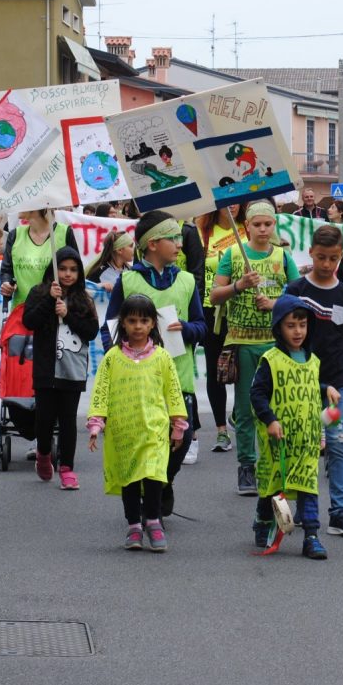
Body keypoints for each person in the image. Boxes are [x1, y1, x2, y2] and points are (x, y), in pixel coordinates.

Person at [103, 211, 206, 516]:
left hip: (178, 375)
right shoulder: (129, 279)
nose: (179, 244)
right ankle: (142, 504)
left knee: (182, 438)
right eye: (173, 238)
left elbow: (201, 325)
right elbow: (109, 325)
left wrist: (186, 329)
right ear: (152, 244)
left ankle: (165, 480)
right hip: (137, 380)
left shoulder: (186, 281)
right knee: (143, 440)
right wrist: (114, 357)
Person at [210, 202, 300, 496]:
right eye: (257, 224)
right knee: (246, 408)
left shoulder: (283, 257)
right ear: (246, 226)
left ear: (275, 225)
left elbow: (300, 296)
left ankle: (274, 463)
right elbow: (214, 296)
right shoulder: (232, 254)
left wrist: (275, 304)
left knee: (276, 408)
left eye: (268, 224)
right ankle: (246, 465)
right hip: (243, 342)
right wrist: (239, 285)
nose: (263, 229)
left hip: (276, 345)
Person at [87, 294, 187, 552]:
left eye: (144, 321)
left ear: (153, 324)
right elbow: (101, 390)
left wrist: (178, 425)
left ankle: (153, 521)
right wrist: (96, 424)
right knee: (129, 480)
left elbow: (173, 392)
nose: (138, 326)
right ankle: (133, 526)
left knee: (154, 476)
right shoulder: (112, 358)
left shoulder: (162, 357)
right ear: (123, 324)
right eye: (132, 321)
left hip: (154, 430)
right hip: (124, 432)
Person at [285, 224, 343, 537]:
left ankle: (339, 512)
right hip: (302, 381)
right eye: (321, 257)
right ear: (311, 254)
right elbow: (283, 336)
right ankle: (306, 505)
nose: (327, 264)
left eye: (333, 258)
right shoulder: (296, 291)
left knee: (339, 443)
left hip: (339, 381)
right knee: (305, 445)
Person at [249, 295, 338, 559]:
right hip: (278, 441)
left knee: (308, 487)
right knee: (272, 489)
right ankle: (263, 520)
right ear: (278, 327)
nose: (298, 331)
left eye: (302, 324)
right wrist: (270, 420)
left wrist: (327, 389)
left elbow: (309, 389)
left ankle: (311, 536)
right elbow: (257, 394)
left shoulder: (313, 361)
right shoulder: (270, 359)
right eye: (291, 325)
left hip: (306, 442)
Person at [0, 208, 78, 457]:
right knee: (23, 376)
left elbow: (75, 272)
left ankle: (42, 438)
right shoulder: (15, 235)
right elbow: (7, 270)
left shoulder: (63, 233)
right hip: (23, 317)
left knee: (50, 379)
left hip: (55, 316)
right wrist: (6, 283)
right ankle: (30, 428)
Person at [23, 247, 99, 489]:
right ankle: (43, 453)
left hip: (72, 369)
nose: (67, 274)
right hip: (46, 368)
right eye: (63, 269)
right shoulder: (39, 293)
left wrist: (67, 315)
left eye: (73, 270)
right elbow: (29, 321)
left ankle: (67, 468)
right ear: (54, 270)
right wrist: (48, 299)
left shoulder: (84, 299)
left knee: (67, 421)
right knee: (44, 419)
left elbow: (91, 332)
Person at [197, 204, 246, 453]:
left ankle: (238, 415)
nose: (233, 205)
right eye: (226, 201)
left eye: (237, 199)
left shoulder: (249, 229)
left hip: (245, 310)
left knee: (248, 367)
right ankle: (221, 431)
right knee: (216, 371)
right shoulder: (202, 232)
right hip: (211, 311)